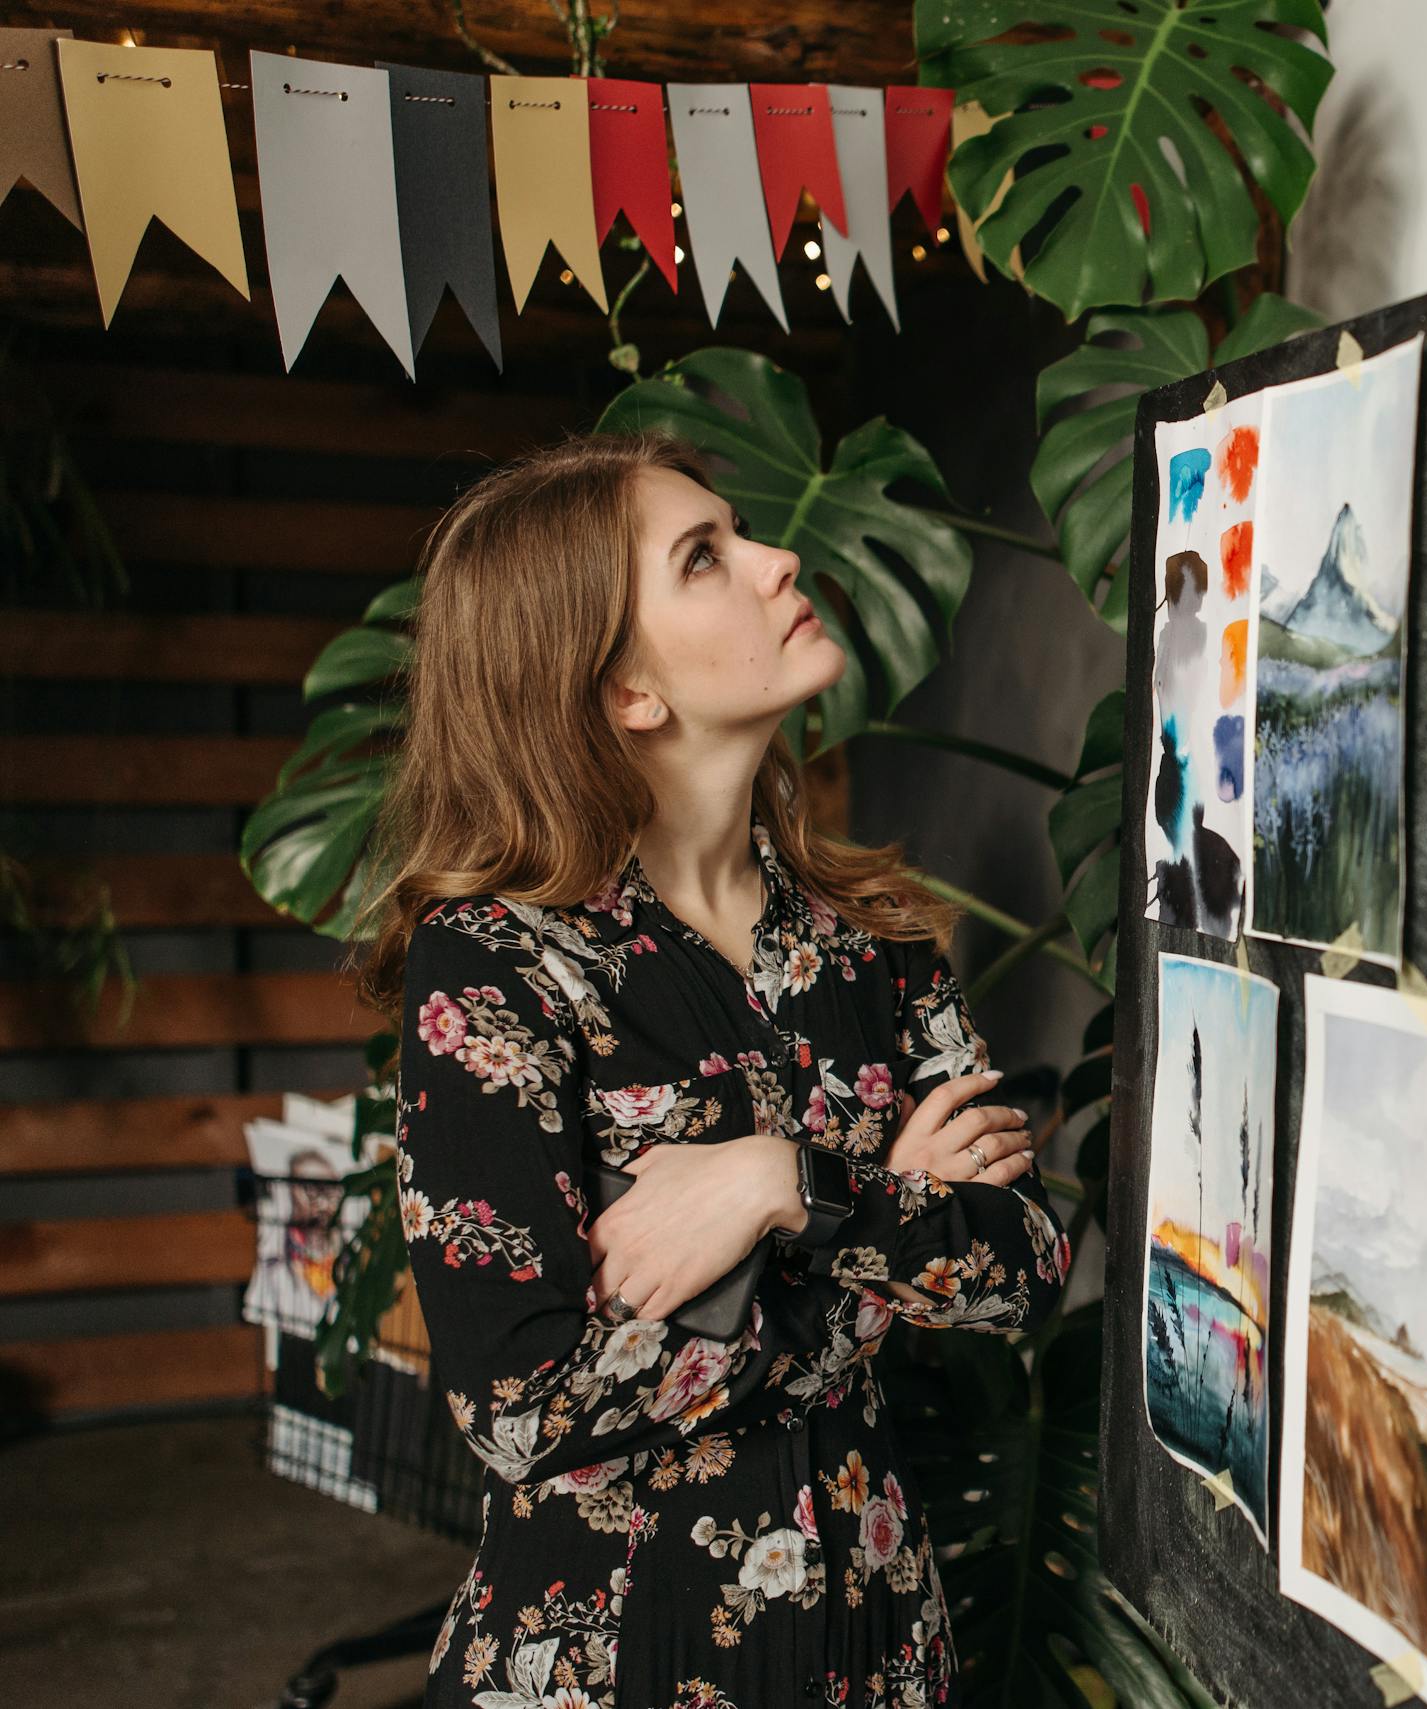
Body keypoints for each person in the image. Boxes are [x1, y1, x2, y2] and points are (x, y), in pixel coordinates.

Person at [350, 431, 1069, 1709]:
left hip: (878, 1654)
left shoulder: (877, 937)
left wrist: (776, 1183)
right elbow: (528, 1399)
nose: (779, 556)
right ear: (628, 689)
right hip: (614, 1660)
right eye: (706, 557)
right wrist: (877, 1227)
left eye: (738, 532)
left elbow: (1018, 1266)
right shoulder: (499, 966)